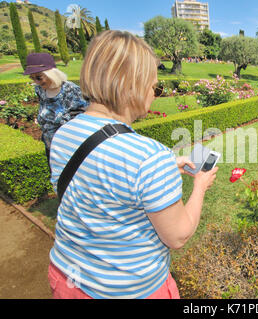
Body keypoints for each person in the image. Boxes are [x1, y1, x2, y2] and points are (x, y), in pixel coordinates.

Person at [47, 30, 218, 299]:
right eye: (155, 87)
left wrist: (165, 167)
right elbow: (178, 236)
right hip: (127, 290)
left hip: (67, 277)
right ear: (132, 86)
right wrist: (200, 186)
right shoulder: (149, 157)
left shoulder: (64, 133)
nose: (155, 94)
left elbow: (99, 175)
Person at [23, 53, 88, 167]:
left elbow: (86, 117)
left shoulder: (71, 90)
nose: (36, 82)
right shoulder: (40, 90)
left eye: (39, 77)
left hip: (70, 150)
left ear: (52, 74)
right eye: (32, 78)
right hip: (50, 147)